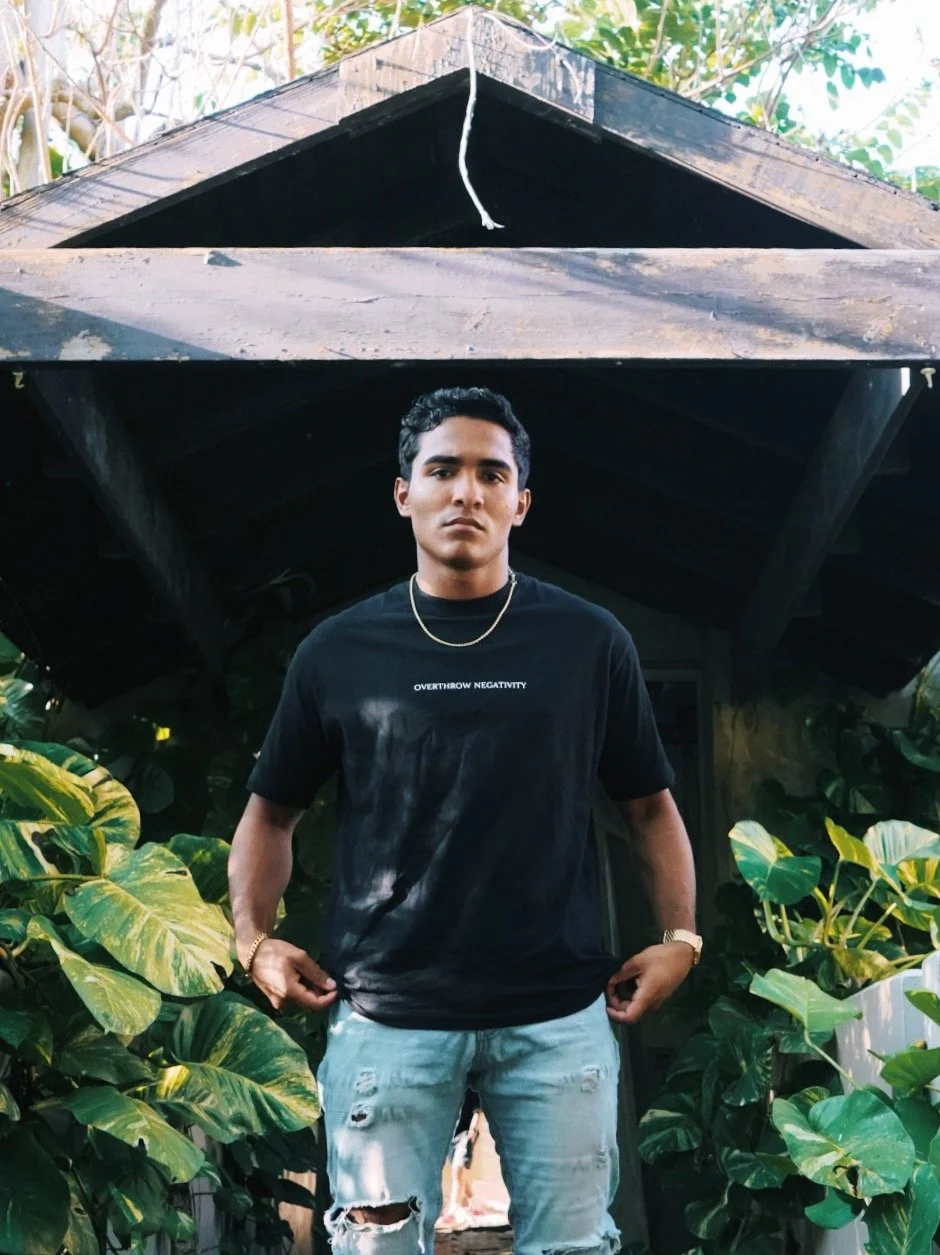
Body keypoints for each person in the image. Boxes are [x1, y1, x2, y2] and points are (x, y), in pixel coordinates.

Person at [227, 386, 700, 1255]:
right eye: (441, 469)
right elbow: (272, 811)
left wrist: (681, 936)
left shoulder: (590, 642)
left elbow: (649, 804)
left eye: (492, 473)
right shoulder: (339, 650)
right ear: (403, 492)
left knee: (572, 1247)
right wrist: (254, 936)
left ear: (521, 500)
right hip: (389, 1017)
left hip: (557, 1016)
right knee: (374, 1247)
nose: (466, 493)